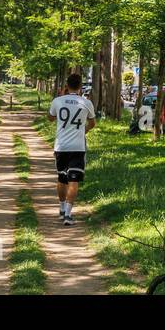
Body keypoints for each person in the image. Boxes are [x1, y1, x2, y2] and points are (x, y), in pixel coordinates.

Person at [48, 73, 96, 225]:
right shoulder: (86, 103)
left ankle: (62, 209)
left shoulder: (57, 101)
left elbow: (50, 118)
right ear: (81, 86)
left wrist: (61, 97)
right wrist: (84, 131)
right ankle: (68, 214)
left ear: (66, 86)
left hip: (61, 146)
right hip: (78, 147)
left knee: (62, 178)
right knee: (73, 180)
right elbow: (92, 123)